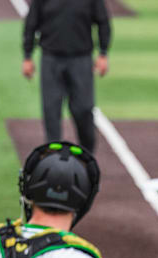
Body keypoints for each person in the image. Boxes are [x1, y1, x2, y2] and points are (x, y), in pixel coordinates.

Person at [22, 0, 112, 153]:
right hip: (51, 59)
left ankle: (87, 155)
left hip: (81, 59)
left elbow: (103, 21)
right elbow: (31, 23)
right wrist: (27, 56)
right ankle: (53, 159)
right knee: (51, 111)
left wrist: (103, 53)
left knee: (83, 109)